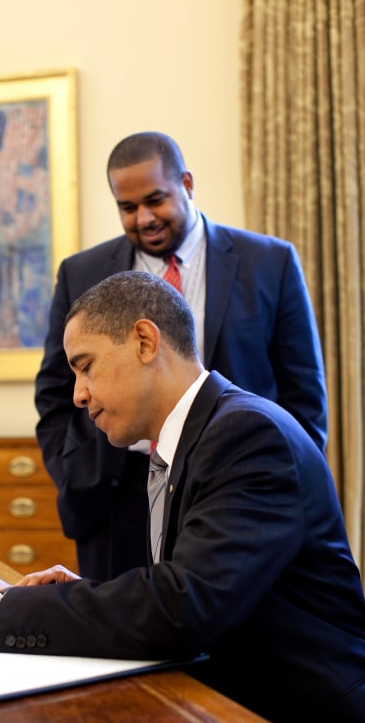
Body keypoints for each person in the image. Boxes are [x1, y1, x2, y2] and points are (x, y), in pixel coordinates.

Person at [0, 271, 364, 723]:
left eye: (85, 365)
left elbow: (183, 609)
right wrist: (86, 596)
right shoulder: (196, 437)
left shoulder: (248, 435)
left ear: (145, 342)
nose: (78, 394)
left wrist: (5, 608)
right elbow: (187, 589)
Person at [35, 131, 328, 581]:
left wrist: (277, 486)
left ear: (187, 185)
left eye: (156, 200)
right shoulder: (81, 272)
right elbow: (56, 391)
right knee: (106, 625)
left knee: (197, 616)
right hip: (111, 493)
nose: (144, 218)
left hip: (226, 483)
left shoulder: (269, 263)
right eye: (127, 208)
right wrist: (73, 471)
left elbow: (303, 395)